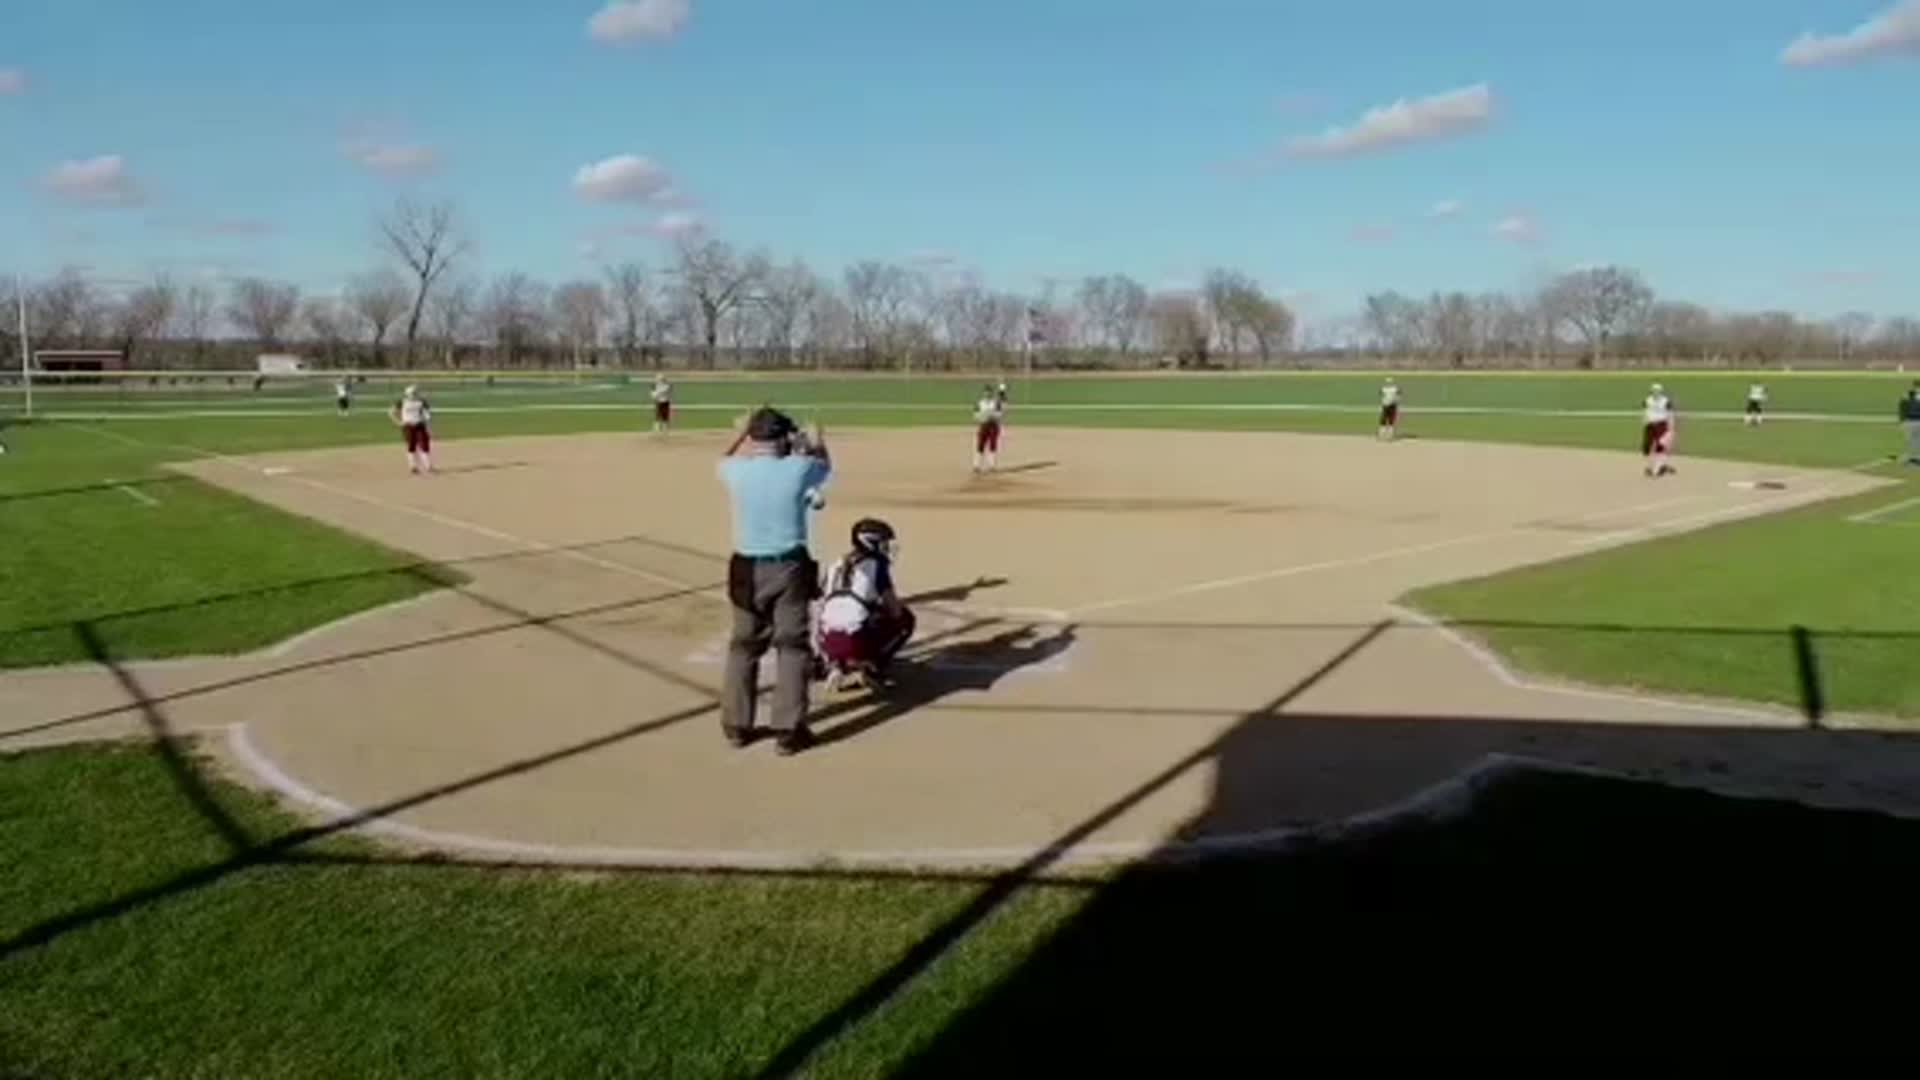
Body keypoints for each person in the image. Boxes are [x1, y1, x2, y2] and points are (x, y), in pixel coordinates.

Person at [718, 406, 832, 755]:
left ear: (753, 439)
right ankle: (788, 730)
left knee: (743, 645)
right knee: (792, 646)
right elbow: (825, 467)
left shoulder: (735, 471)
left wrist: (740, 433)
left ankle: (736, 725)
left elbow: (724, 457)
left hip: (745, 568)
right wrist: (816, 442)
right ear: (783, 438)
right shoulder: (799, 469)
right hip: (788, 567)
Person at [815, 518, 916, 691]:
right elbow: (895, 609)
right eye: (883, 543)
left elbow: (823, 604)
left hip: (826, 639)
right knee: (905, 620)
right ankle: (871, 668)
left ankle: (835, 664)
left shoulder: (836, 563)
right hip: (854, 639)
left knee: (841, 616)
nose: (887, 547)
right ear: (870, 542)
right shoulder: (877, 565)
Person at [391, 384, 433, 475]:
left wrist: (428, 422)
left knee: (424, 445)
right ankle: (413, 466)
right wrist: (399, 422)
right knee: (411, 446)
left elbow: (427, 413)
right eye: (412, 393)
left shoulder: (421, 401)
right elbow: (392, 412)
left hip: (419, 425)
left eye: (415, 393)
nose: (413, 395)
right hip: (408, 426)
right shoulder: (402, 402)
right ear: (407, 394)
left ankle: (428, 465)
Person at [1642, 383, 1676, 477]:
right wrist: (1644, 421)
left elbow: (1670, 414)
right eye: (1654, 391)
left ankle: (1658, 468)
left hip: (1661, 424)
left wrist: (1671, 427)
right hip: (1650, 425)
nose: (1656, 393)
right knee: (1646, 446)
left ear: (1661, 392)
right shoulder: (1647, 400)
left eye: (1657, 391)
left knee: (1660, 446)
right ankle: (1650, 467)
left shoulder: (1666, 401)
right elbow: (1645, 411)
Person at [973, 384, 1005, 474]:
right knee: (980, 445)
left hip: (993, 426)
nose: (987, 394)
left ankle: (991, 465)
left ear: (991, 393)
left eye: (989, 392)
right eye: (986, 392)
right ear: (983, 393)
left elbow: (1000, 414)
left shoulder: (995, 403)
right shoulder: (980, 403)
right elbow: (975, 414)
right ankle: (976, 465)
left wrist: (992, 415)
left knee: (992, 445)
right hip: (983, 425)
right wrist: (982, 417)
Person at [1901, 382, 1920, 466]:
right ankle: (1915, 457)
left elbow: (1903, 406)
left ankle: (1912, 457)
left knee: (1910, 440)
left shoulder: (1908, 395)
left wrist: (1902, 420)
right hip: (1916, 421)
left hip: (1910, 421)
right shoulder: (1910, 395)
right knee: (1915, 440)